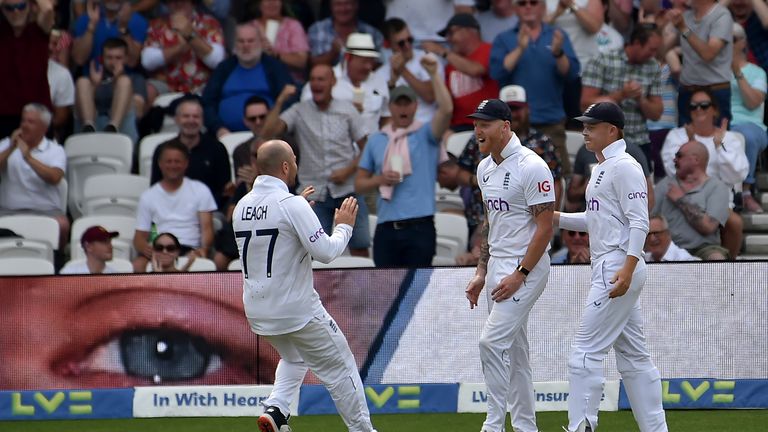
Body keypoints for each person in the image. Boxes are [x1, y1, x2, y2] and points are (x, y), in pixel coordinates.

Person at [233, 139, 377, 432]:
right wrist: (344, 226)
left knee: (295, 356)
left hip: (259, 313)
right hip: (297, 311)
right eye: (295, 161)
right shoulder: (291, 205)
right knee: (341, 367)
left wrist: (300, 208)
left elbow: (277, 233)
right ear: (286, 166)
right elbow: (325, 252)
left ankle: (276, 409)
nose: (296, 166)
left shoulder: (242, 206)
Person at [554, 102, 667, 432]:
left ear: (612, 130)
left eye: (592, 125)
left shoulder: (625, 166)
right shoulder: (603, 167)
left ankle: (582, 427)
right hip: (612, 264)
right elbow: (597, 220)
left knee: (584, 354)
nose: (585, 131)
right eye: (584, 125)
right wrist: (555, 218)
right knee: (634, 359)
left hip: (617, 266)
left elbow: (639, 221)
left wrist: (628, 269)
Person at [464, 99, 555, 432]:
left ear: (505, 126)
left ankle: (492, 425)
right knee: (515, 354)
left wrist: (522, 274)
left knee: (490, 343)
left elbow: (545, 228)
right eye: (476, 124)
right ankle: (526, 427)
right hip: (498, 266)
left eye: (485, 124)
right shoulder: (484, 167)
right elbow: (492, 222)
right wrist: (481, 271)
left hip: (526, 267)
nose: (478, 131)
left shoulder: (532, 166)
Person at [355, 56, 453, 267]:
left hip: (420, 228)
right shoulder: (377, 140)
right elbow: (359, 184)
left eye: (407, 103)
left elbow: (446, 110)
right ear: (390, 108)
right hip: (386, 228)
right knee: (385, 293)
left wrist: (435, 74)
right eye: (398, 104)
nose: (403, 109)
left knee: (417, 292)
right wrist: (380, 179)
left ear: (416, 106)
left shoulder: (426, 134)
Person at [265, 64, 372, 257]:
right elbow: (268, 133)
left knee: (360, 246)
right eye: (312, 79)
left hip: (347, 189)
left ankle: (361, 288)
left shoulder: (347, 110)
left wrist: (348, 171)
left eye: (321, 79)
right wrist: (280, 101)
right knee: (312, 251)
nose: (316, 83)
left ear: (333, 82)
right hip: (314, 192)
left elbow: (367, 148)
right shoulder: (299, 111)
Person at [489, 0, 580, 175]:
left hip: (551, 123)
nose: (528, 7)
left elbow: (571, 74)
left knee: (558, 180)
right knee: (511, 181)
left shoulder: (557, 35)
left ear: (544, 7)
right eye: (522, 3)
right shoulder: (504, 38)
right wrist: (520, 49)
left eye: (534, 2)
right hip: (514, 126)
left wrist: (558, 53)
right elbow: (497, 72)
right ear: (515, 9)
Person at [581, 24, 664, 169]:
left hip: (639, 141)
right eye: (651, 49)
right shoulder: (603, 61)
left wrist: (641, 99)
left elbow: (657, 114)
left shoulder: (653, 67)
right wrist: (621, 95)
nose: (654, 54)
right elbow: (585, 104)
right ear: (637, 43)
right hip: (605, 142)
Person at [133, 140, 217, 272]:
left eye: (177, 161)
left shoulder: (201, 190)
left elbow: (207, 228)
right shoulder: (148, 196)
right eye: (169, 161)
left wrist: (203, 250)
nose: (173, 165)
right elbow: (139, 237)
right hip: (160, 248)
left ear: (186, 164)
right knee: (138, 265)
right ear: (160, 164)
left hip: (189, 248)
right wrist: (146, 249)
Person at [201, 23, 294, 138]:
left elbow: (289, 100)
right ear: (235, 44)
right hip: (225, 136)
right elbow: (208, 102)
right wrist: (218, 128)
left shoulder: (275, 67)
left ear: (260, 42)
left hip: (268, 135)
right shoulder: (224, 68)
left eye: (250, 41)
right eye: (241, 41)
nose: (246, 45)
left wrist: (272, 126)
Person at [0, 104, 68, 250]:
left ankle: (57, 262)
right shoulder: (6, 144)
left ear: (44, 128)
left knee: (62, 225)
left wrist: (28, 157)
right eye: (23, 121)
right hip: (8, 210)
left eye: (30, 122)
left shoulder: (55, 150)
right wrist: (11, 148)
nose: (24, 126)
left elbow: (55, 177)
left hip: (46, 212)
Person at [150, 96, 232, 212]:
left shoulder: (217, 149)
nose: (191, 121)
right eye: (186, 116)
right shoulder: (163, 150)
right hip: (170, 211)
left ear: (202, 120)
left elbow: (224, 191)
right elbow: (156, 187)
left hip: (209, 212)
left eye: (196, 117)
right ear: (176, 119)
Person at [653, 140, 732, 261]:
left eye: (679, 156)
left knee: (717, 259)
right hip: (669, 248)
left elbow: (708, 227)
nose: (674, 160)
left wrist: (680, 200)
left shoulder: (717, 188)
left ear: (695, 159)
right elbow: (650, 218)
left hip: (704, 249)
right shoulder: (664, 185)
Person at [422, 13, 499, 132]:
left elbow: (476, 69)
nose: (448, 39)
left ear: (469, 31)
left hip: (488, 124)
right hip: (458, 127)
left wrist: (443, 51)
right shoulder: (450, 65)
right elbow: (444, 101)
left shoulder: (488, 49)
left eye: (452, 33)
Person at [300, 32, 390, 133]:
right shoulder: (324, 80)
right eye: (364, 61)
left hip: (372, 145)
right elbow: (306, 116)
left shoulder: (379, 81)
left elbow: (386, 115)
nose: (368, 66)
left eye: (371, 61)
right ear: (348, 57)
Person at [666, 0, 733, 125]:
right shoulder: (685, 16)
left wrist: (683, 28)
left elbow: (708, 54)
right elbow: (660, 51)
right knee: (685, 142)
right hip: (687, 91)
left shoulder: (722, 15)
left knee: (717, 142)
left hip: (715, 92)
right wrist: (662, 25)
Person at [141, 0, 225, 97]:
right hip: (167, 87)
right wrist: (179, 49)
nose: (178, 3)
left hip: (200, 88)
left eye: (183, 0)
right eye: (173, 1)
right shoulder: (157, 24)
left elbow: (218, 61)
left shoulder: (209, 23)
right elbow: (147, 62)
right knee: (147, 91)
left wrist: (190, 36)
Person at [0, 0, 54, 139]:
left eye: (21, 6)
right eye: (9, 8)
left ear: (30, 6)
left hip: (37, 112)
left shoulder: (39, 29)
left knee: (40, 157)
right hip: (4, 112)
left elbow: (47, 8)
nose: (16, 11)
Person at [75, 37, 145, 141]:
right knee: (82, 82)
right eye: (109, 57)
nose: (113, 62)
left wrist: (117, 80)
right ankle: (88, 128)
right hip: (94, 129)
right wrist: (95, 85)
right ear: (102, 58)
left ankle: (113, 128)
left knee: (124, 82)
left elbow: (139, 112)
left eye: (118, 58)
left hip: (122, 132)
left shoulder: (136, 79)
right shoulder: (93, 79)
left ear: (126, 58)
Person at [375, 17, 441, 125]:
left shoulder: (427, 59)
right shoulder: (380, 74)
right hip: (400, 129)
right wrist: (392, 82)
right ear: (387, 44)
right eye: (401, 43)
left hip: (428, 124)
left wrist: (403, 70)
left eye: (410, 40)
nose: (407, 46)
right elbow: (383, 111)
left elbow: (430, 96)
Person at [730, 22, 767, 214]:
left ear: (743, 42)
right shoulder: (714, 71)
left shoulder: (756, 72)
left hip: (750, 125)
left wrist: (736, 72)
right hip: (722, 124)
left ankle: (746, 191)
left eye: (732, 40)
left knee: (746, 137)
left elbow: (753, 102)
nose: (726, 44)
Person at [71, 0, 147, 75]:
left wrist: (124, 28)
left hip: (126, 79)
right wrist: (91, 27)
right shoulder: (85, 19)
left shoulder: (138, 21)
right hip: (92, 79)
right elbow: (79, 59)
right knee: (83, 83)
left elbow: (132, 62)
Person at [307, 0, 383, 66]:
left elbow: (380, 65)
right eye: (338, 4)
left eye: (347, 4)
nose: (343, 9)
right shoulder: (317, 29)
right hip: (327, 81)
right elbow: (312, 64)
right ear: (331, 6)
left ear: (356, 5)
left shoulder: (372, 33)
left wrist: (361, 59)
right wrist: (332, 53)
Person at [250, 0, 310, 83]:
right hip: (256, 81)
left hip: (288, 83)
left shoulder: (293, 26)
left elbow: (301, 62)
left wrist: (276, 55)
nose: (272, 3)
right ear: (259, 4)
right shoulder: (250, 28)